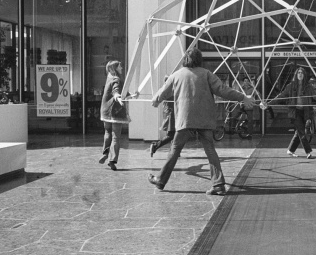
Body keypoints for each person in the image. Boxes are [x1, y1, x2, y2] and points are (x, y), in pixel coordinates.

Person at [147, 48, 254, 195]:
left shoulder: (176, 75)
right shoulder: (207, 74)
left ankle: (160, 179)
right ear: (199, 59)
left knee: (175, 150)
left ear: (185, 59)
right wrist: (243, 97)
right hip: (205, 119)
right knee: (210, 150)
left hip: (185, 120)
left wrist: (156, 100)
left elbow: (163, 91)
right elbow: (223, 90)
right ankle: (218, 185)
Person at [273, 67, 316, 159]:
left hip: (305, 112)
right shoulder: (290, 86)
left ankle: (290, 150)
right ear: (296, 74)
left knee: (299, 132)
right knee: (302, 133)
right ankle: (308, 152)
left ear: (304, 75)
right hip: (295, 112)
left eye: (302, 73)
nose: (300, 74)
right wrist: (269, 103)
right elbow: (281, 96)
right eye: (298, 72)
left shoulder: (308, 87)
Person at [99, 60, 131, 171]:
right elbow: (116, 91)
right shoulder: (117, 79)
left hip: (105, 110)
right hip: (115, 111)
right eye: (120, 66)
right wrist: (119, 98)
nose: (122, 67)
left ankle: (105, 152)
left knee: (107, 132)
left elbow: (121, 93)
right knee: (116, 136)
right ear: (115, 68)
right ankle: (112, 160)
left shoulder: (109, 78)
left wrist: (131, 95)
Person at [150, 76, 176, 157]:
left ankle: (174, 151)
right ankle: (155, 145)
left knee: (174, 134)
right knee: (171, 135)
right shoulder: (169, 90)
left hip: (170, 114)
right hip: (171, 114)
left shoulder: (165, 90)